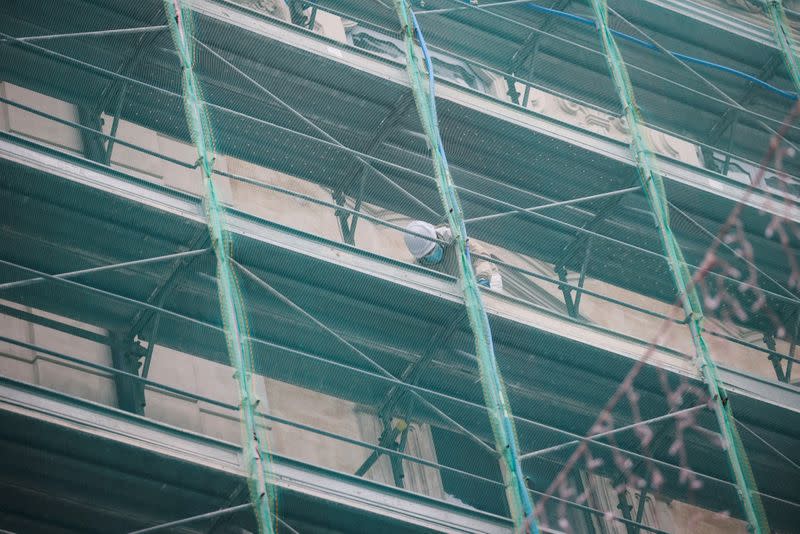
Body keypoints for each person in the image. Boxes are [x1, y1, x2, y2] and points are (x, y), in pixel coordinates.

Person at [404, 220, 502, 290]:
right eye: (427, 255)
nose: (432, 255)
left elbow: (481, 256)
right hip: (460, 287)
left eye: (433, 249)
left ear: (437, 238)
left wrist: (483, 277)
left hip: (487, 277)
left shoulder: (456, 238)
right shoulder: (419, 266)